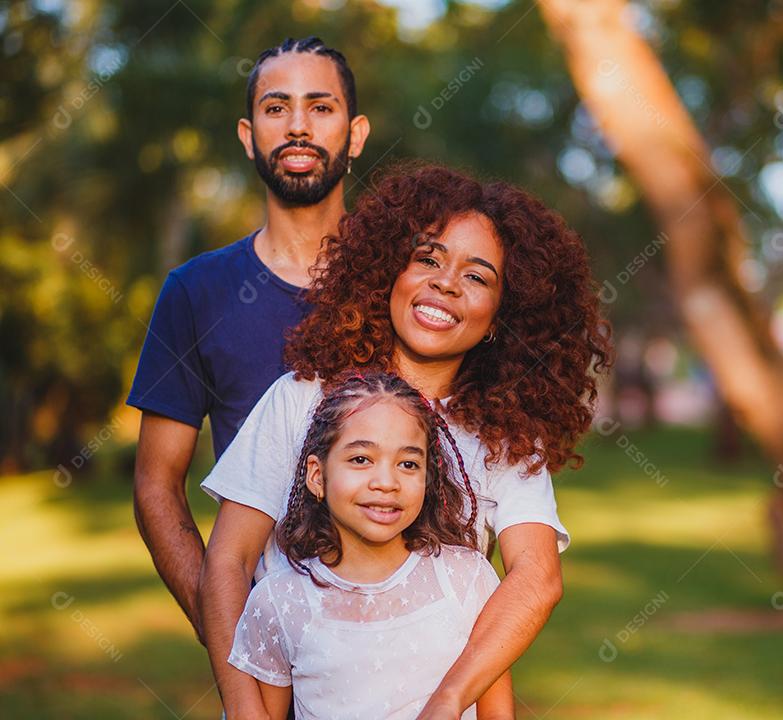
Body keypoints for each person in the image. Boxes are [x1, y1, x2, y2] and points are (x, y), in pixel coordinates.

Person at [199, 163, 613, 719]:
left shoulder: (506, 436)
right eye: (429, 259)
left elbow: (536, 578)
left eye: (477, 276)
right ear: (389, 273)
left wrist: (446, 703)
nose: (445, 283)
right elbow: (228, 561)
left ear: (498, 318)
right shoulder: (303, 397)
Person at [127, 36, 369, 643]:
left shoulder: (407, 285)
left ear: (356, 133)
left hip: (406, 658)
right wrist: (233, 634)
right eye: (275, 107)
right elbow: (157, 485)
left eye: (321, 106)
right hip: (273, 653)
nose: (297, 126)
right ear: (248, 134)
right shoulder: (195, 292)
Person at [229, 371, 514, 719]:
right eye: (361, 459)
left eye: (408, 464)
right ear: (317, 476)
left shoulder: (466, 579)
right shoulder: (279, 601)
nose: (386, 482)